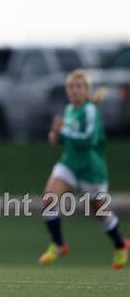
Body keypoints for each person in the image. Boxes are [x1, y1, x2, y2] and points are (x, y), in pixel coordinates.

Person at [38, 69, 129, 270]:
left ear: (86, 90)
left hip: (91, 170)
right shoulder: (69, 108)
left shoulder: (89, 110)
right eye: (70, 86)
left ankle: (120, 245)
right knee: (48, 200)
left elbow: (87, 139)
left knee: (98, 212)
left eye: (78, 86)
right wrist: (56, 136)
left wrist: (63, 131)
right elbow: (68, 137)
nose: (74, 90)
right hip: (70, 164)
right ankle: (58, 244)